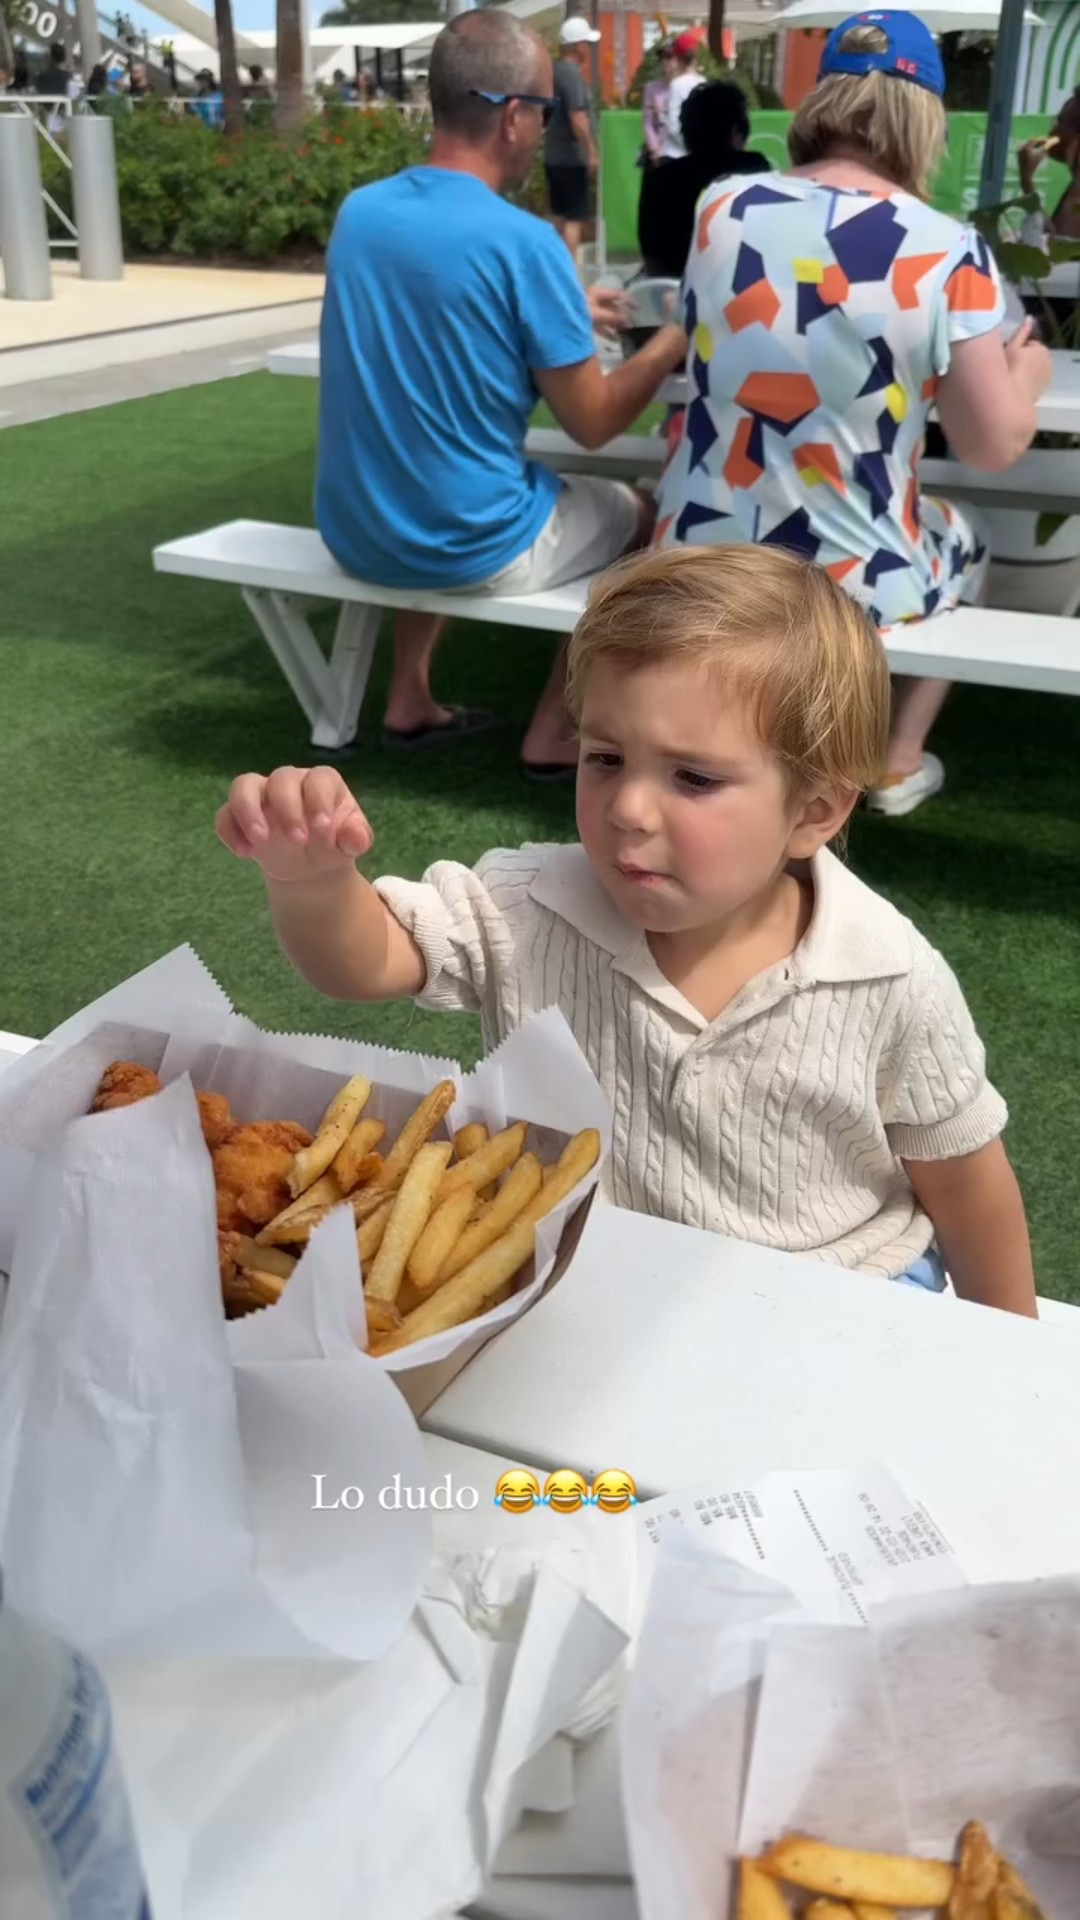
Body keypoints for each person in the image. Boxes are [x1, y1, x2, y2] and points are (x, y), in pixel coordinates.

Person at [215, 544, 1038, 1317]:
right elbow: (366, 963)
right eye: (605, 757)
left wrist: (1015, 1356)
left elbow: (967, 1184)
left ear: (814, 809)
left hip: (844, 1294)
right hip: (589, 1287)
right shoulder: (526, 901)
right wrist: (314, 882)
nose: (627, 809)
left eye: (693, 776)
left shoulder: (889, 975)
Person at [654, 11, 1052, 818]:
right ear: (926, 117)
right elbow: (991, 444)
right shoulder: (949, 250)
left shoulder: (720, 208)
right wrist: (1029, 368)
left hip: (699, 547)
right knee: (967, 528)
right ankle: (896, 759)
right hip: (848, 580)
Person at [315, 9, 685, 775]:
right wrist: (676, 341)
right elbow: (594, 424)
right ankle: (555, 728)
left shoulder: (361, 215)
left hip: (354, 527)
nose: (547, 129)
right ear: (515, 116)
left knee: (436, 467)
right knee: (651, 516)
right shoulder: (525, 244)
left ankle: (408, 696)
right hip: (467, 536)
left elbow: (438, 299)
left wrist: (559, 309)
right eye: (546, 111)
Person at [638, 79, 769, 281]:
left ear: (686, 131)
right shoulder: (755, 168)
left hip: (673, 297)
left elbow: (652, 261)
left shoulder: (662, 179)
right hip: (744, 296)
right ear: (736, 130)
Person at [545, 13, 601, 259]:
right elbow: (578, 116)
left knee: (558, 216)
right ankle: (569, 276)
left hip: (553, 156)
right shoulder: (572, 74)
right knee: (574, 220)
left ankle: (554, 269)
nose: (588, 49)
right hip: (571, 157)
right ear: (578, 46)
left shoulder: (553, 71)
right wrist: (591, 151)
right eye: (587, 44)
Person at [659, 30, 704, 161]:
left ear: (677, 58)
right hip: (698, 155)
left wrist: (688, 146)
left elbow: (673, 124)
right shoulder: (704, 82)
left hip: (675, 155)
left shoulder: (677, 84)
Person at [641, 39, 676, 168]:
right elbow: (648, 123)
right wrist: (655, 148)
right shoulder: (652, 89)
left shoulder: (685, 87)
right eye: (663, 57)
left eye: (670, 57)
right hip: (659, 153)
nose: (666, 61)